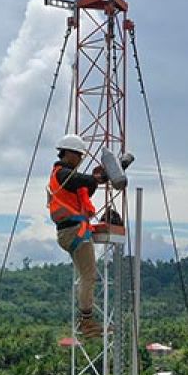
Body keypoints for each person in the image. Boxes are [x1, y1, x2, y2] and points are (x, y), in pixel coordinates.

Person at [48, 134, 109, 338]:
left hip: (70, 231)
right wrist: (96, 178)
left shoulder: (65, 178)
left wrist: (96, 180)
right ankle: (87, 320)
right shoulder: (61, 174)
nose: (80, 159)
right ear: (68, 153)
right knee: (88, 275)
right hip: (74, 231)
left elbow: (84, 185)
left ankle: (86, 320)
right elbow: (78, 179)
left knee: (87, 275)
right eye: (79, 155)